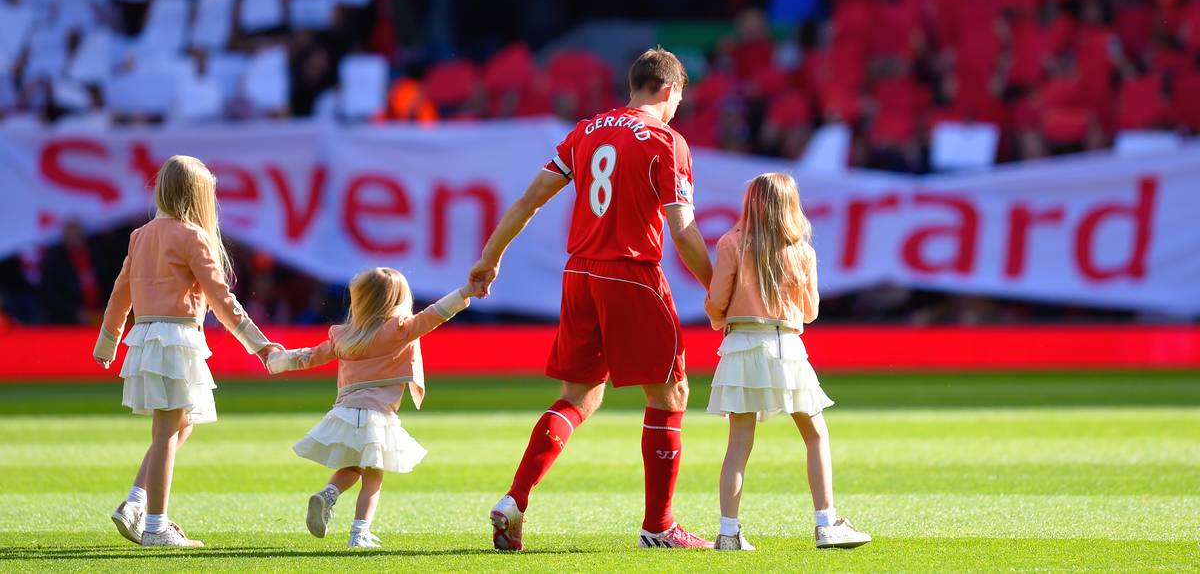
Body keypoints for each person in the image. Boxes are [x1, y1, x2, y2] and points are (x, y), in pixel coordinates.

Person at [468, 47, 715, 550]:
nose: (677, 110)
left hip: (579, 273)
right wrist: (720, 289)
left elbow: (528, 200)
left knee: (578, 396)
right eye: (679, 100)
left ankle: (514, 500)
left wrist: (489, 258)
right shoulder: (667, 141)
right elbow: (684, 231)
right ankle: (660, 527)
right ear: (669, 90)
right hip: (631, 272)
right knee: (670, 394)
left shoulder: (587, 130)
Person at [93, 155, 281, 548]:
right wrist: (259, 345)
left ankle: (135, 503)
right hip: (176, 339)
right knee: (167, 431)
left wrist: (108, 339)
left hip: (145, 340)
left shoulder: (140, 235)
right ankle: (157, 526)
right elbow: (221, 299)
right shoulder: (192, 236)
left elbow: (119, 293)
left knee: (180, 424)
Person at [703, 173, 871, 551]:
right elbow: (809, 312)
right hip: (785, 345)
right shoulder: (802, 251)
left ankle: (728, 532)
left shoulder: (732, 243)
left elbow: (716, 301)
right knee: (814, 434)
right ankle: (826, 523)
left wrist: (721, 314)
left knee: (739, 443)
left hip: (740, 345)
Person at [265, 268, 473, 548]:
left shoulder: (345, 335)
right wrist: (466, 292)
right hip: (378, 417)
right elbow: (435, 313)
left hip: (345, 414)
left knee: (352, 467)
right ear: (399, 299)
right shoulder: (400, 330)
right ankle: (359, 532)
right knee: (374, 476)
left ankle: (329, 493)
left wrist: (277, 360)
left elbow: (311, 356)